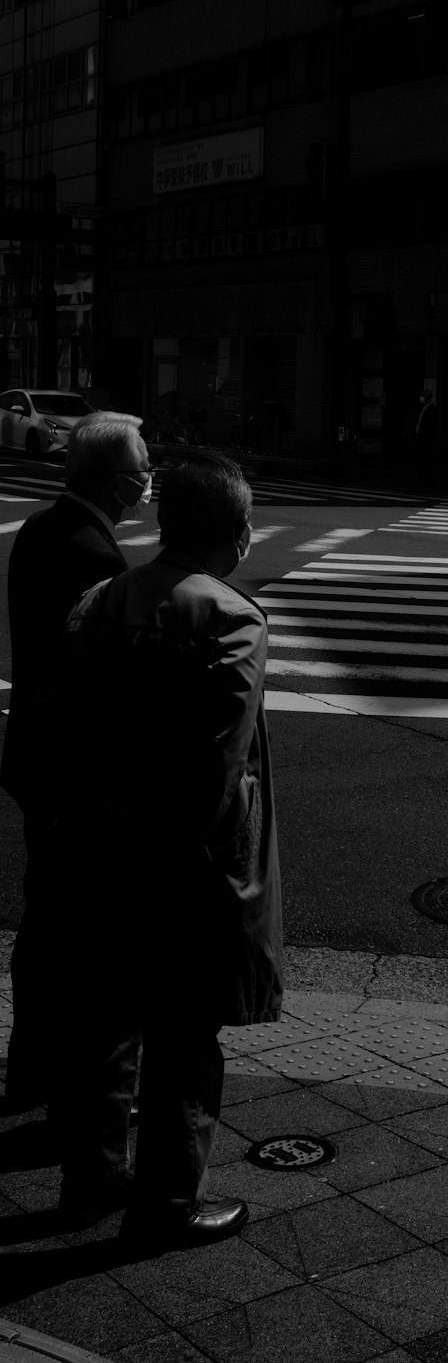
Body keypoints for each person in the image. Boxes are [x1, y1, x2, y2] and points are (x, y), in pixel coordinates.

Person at [48, 457, 283, 1240]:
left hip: (92, 849)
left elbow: (64, 734)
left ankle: (90, 1184)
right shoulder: (231, 618)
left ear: (167, 523)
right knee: (184, 1040)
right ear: (239, 534)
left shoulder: (98, 601)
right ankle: (166, 1205)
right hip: (181, 869)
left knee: (101, 1030)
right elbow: (218, 768)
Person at [1, 411, 150, 1114]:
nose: (149, 479)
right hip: (68, 771)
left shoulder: (40, 528)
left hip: (34, 756)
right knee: (75, 930)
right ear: (119, 481)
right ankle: (63, 1086)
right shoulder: (94, 553)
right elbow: (91, 681)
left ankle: (31, 1069)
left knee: (45, 923)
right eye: (144, 467)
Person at [415, 389, 438, 486]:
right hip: (422, 438)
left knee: (426, 460)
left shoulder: (431, 409)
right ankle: (422, 480)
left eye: (422, 396)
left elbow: (430, 426)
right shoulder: (423, 408)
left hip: (426, 439)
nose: (420, 398)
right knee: (422, 460)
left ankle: (426, 481)